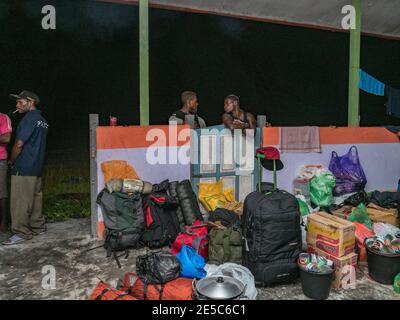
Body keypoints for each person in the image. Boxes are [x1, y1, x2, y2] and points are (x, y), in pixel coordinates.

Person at [3, 91, 48, 245]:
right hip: (37, 165)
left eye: (19, 102)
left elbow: (19, 144)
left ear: (30, 101)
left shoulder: (29, 119)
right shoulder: (42, 120)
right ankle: (37, 226)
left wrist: (11, 160)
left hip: (24, 165)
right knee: (35, 198)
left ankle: (21, 232)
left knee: (20, 200)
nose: (17, 105)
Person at [0, 112, 12, 232]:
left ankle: (4, 222)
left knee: (1, 192)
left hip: (0, 159)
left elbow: (6, 138)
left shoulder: (3, 117)